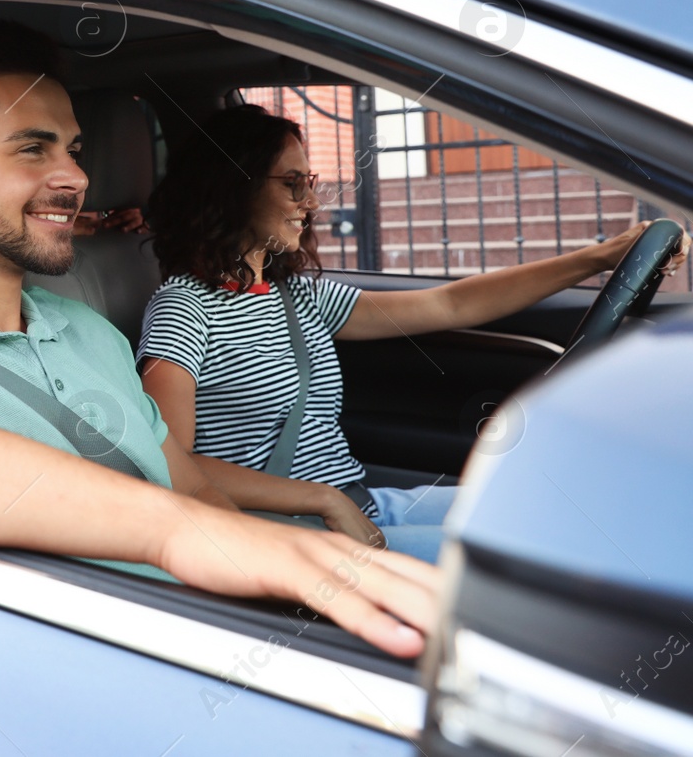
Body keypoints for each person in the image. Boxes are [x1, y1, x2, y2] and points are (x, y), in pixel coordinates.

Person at [0, 23, 439, 657]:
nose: (76, 176)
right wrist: (170, 534)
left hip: (237, 634)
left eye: (73, 148)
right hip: (116, 660)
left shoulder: (89, 330)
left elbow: (192, 488)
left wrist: (280, 582)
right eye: (33, 149)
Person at [138, 105, 688, 563]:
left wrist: (603, 255)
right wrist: (322, 501)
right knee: (535, 554)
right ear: (231, 186)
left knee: (561, 514)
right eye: (292, 184)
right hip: (292, 533)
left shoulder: (295, 296)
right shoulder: (184, 310)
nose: (310, 202)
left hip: (364, 505)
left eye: (311, 183)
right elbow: (171, 462)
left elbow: (450, 302)